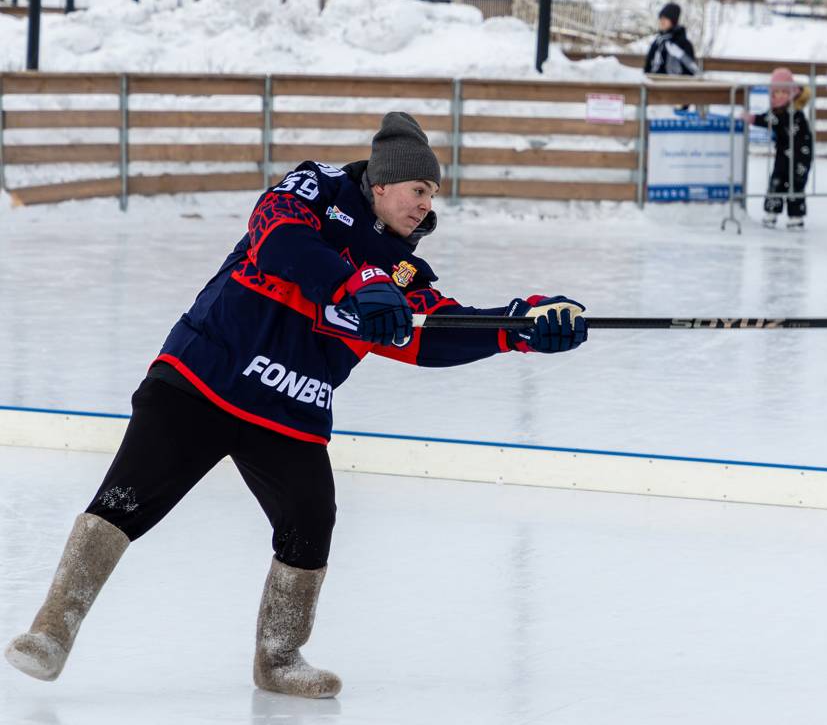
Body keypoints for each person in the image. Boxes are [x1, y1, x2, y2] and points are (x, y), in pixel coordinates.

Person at [4, 112, 588, 698]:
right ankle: (51, 630)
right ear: (381, 184)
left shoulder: (406, 270)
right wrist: (354, 282)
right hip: (204, 378)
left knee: (311, 523)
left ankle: (279, 659)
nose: (426, 204)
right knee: (124, 500)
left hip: (290, 409)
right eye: (418, 189)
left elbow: (430, 332)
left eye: (432, 193)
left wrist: (520, 324)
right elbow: (280, 241)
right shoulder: (314, 187)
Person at [748, 68, 813, 231]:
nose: (781, 96)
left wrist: (754, 118)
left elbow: (774, 119)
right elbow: (772, 118)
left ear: (791, 92)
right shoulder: (779, 110)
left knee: (795, 184)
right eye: (776, 92)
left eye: (784, 92)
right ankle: (771, 212)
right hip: (783, 155)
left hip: (800, 156)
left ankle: (796, 216)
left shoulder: (794, 112)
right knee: (776, 181)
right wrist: (754, 118)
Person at [644, 2, 699, 77]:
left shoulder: (684, 43)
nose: (662, 21)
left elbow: (692, 70)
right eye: (661, 18)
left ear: (673, 21)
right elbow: (647, 68)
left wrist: (680, 55)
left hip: (675, 86)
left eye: (666, 18)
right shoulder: (658, 42)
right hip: (653, 85)